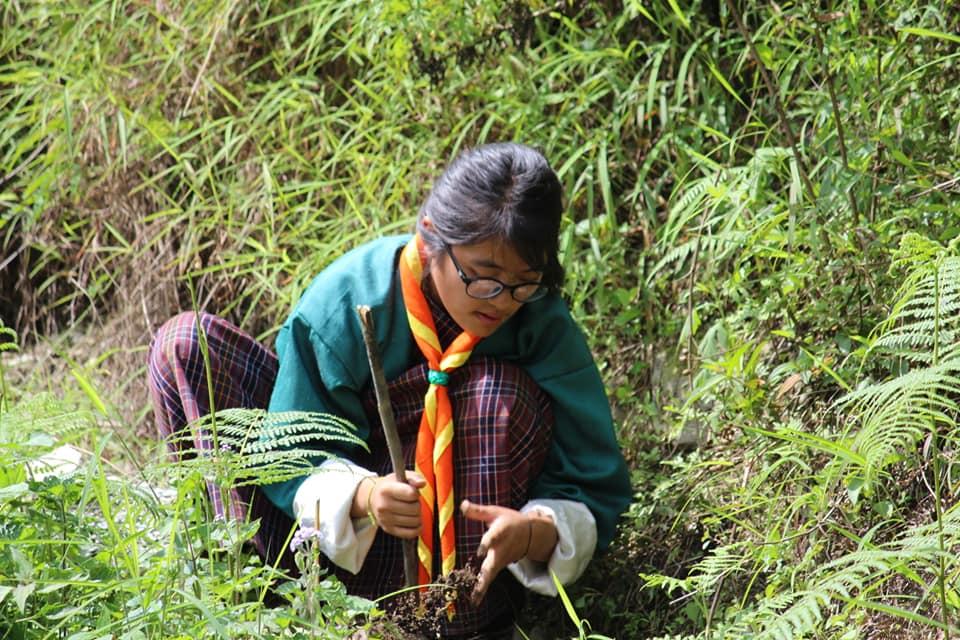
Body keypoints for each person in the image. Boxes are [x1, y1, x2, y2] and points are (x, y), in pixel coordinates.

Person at [148, 142, 631, 638]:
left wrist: (532, 532)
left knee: (495, 397)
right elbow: (291, 452)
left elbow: (592, 482)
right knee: (187, 347)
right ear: (431, 236)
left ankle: (458, 623)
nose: (502, 302)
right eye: (483, 278)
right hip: (338, 550)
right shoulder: (346, 302)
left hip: (472, 563)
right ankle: (251, 593)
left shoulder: (540, 323)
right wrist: (363, 493)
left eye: (523, 283)